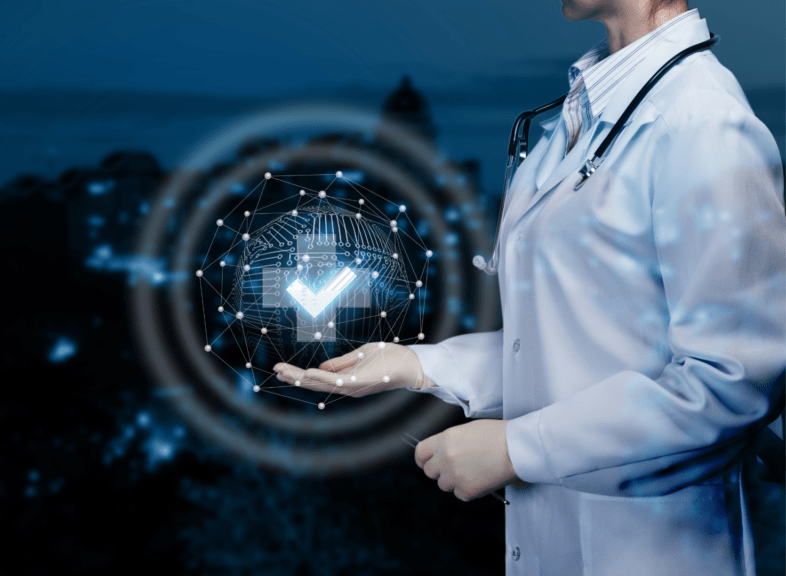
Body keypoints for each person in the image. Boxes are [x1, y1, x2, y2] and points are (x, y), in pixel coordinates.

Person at [274, 1, 786, 574]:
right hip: (551, 534)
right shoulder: (579, 117)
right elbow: (578, 347)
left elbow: (733, 380)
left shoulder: (704, 123)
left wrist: (518, 448)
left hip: (655, 547)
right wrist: (415, 365)